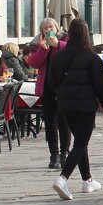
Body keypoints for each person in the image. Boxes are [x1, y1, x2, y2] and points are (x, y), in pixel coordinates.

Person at [49, 19, 103, 200]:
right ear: (86, 34)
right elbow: (101, 85)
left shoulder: (57, 57)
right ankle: (63, 178)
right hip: (85, 106)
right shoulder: (91, 57)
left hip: (65, 105)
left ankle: (88, 180)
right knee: (80, 143)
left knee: (80, 141)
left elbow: (52, 82)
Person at [26, 18, 71, 170]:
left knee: (64, 121)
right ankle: (54, 155)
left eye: (50, 26)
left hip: (64, 86)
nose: (48, 29)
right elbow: (33, 63)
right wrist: (43, 49)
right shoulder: (37, 43)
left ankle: (65, 152)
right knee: (50, 122)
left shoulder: (65, 39)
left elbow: (74, 52)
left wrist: (57, 44)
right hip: (47, 87)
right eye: (45, 27)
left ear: (56, 27)